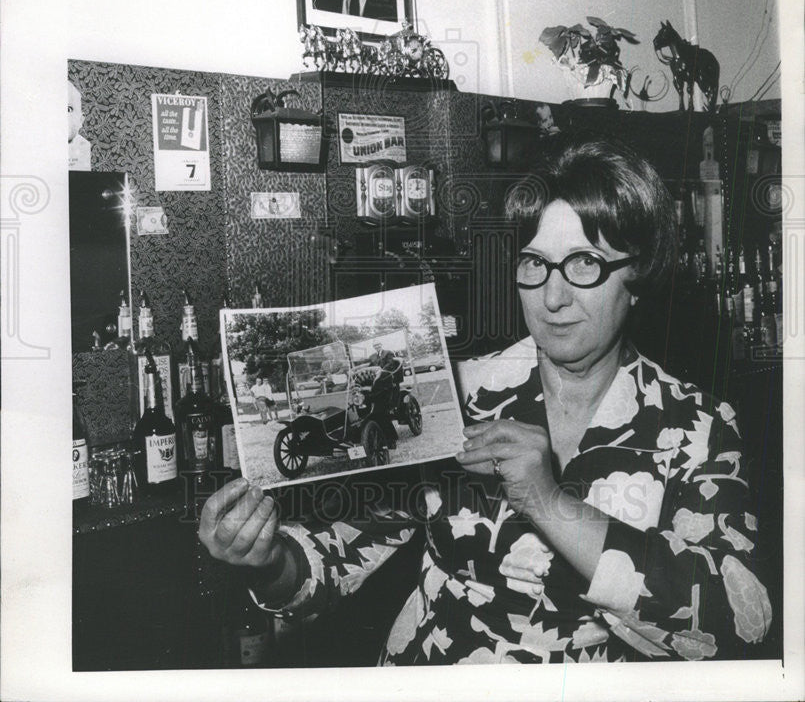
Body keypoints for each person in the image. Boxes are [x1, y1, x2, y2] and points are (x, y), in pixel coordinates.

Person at [199, 137, 772, 665]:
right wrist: (269, 559)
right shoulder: (462, 393)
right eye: (534, 263)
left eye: (584, 264)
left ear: (638, 274)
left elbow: (735, 622)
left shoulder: (695, 425)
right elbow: (338, 552)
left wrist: (547, 500)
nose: (552, 296)